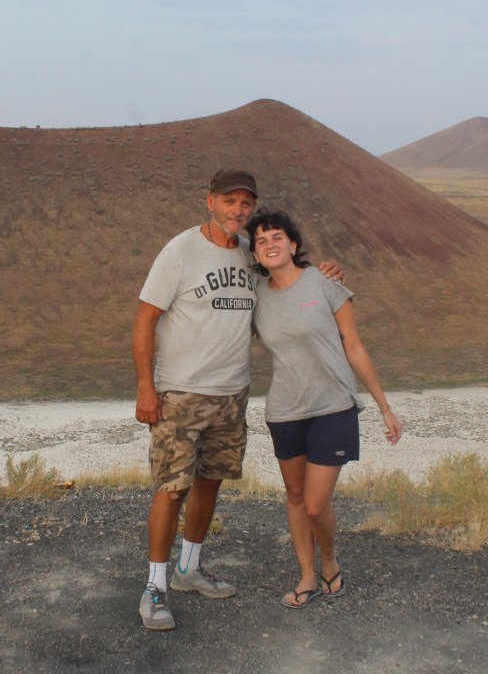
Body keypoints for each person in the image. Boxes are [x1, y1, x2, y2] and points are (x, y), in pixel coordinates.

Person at [132, 170, 340, 631]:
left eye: (246, 204)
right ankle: (154, 588)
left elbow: (290, 280)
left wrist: (324, 275)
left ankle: (189, 568)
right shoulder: (181, 251)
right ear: (210, 201)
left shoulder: (252, 256)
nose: (239, 211)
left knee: (210, 482)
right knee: (172, 488)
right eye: (230, 201)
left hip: (232, 393)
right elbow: (145, 319)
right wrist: (147, 387)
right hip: (181, 393)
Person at [245, 208, 403, 609]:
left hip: (333, 405)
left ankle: (329, 558)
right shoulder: (255, 294)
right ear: (257, 254)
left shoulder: (324, 282)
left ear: (293, 244)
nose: (269, 244)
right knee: (295, 496)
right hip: (284, 410)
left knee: (316, 504)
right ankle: (307, 575)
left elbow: (355, 347)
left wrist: (384, 406)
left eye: (277, 236)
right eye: (261, 240)